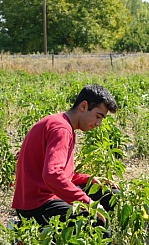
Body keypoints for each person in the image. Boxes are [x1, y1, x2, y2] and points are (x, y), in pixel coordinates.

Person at [12, 84, 119, 228]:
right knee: (96, 223)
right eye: (98, 116)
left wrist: (88, 179)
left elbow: (58, 174)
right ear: (83, 106)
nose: (98, 124)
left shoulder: (62, 123)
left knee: (110, 194)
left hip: (46, 193)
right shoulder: (61, 129)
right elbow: (52, 175)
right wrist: (87, 202)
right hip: (37, 204)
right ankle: (23, 230)